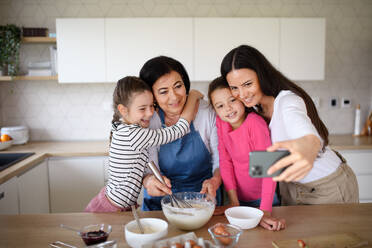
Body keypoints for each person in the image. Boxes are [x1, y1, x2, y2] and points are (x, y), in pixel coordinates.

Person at [220, 45, 359, 205]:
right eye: (234, 88)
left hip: (328, 186)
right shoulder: (254, 108)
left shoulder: (287, 101)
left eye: (248, 84)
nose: (242, 94)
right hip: (290, 188)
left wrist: (309, 146)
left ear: (261, 75)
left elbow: (307, 135)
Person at [85, 76, 203, 212]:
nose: (150, 113)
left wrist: (150, 178)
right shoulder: (133, 134)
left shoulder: (123, 127)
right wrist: (193, 97)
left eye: (152, 106)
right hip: (111, 209)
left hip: (119, 205)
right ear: (123, 110)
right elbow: (179, 130)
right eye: (142, 108)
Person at [139, 56, 222, 211]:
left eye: (178, 86)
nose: (174, 96)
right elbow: (146, 168)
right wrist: (149, 180)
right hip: (160, 204)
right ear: (152, 96)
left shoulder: (206, 112)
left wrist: (215, 180)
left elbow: (220, 159)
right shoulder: (150, 120)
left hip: (202, 200)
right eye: (163, 91)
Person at [208, 76, 285, 231]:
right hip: (239, 202)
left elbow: (268, 170)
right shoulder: (222, 123)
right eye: (220, 106)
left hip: (263, 200)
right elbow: (226, 162)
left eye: (232, 100)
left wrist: (264, 211)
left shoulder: (254, 124)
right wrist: (234, 203)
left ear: (241, 98)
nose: (228, 109)